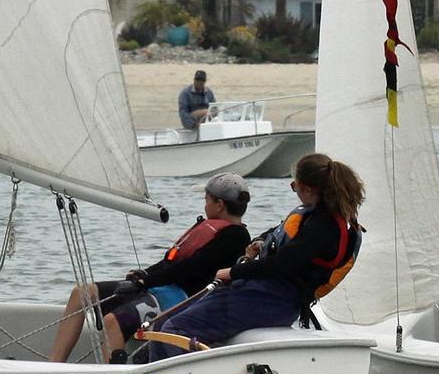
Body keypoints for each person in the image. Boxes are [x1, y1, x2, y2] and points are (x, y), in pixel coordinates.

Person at [149, 153, 365, 361]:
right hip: (260, 293)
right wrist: (260, 243)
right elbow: (279, 232)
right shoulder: (315, 214)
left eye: (294, 186)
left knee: (175, 330)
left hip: (274, 301)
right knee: (162, 324)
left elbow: (283, 264)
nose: (295, 192)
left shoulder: (324, 227)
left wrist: (232, 272)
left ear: (308, 189)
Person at [48, 173, 251, 364]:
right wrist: (144, 274)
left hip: (181, 298)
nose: (205, 204)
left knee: (112, 321)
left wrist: (146, 281)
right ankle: (54, 366)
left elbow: (190, 268)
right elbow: (171, 263)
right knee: (82, 292)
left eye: (207, 199)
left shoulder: (235, 237)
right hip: (160, 287)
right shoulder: (210, 227)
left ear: (220, 205)